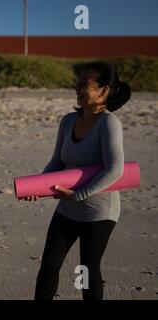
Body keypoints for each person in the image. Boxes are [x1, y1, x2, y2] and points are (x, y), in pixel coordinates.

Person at [22, 62, 131, 300]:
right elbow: (57, 163)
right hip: (67, 207)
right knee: (49, 265)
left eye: (84, 85)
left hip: (98, 211)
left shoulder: (109, 123)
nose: (77, 88)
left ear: (103, 91)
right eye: (77, 83)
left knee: (88, 271)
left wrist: (78, 194)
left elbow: (115, 170)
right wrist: (37, 187)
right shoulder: (69, 121)